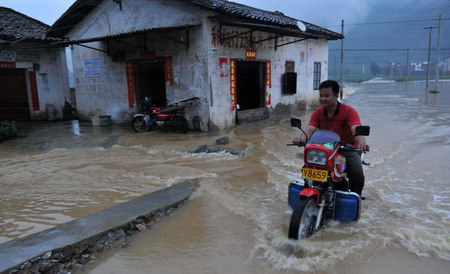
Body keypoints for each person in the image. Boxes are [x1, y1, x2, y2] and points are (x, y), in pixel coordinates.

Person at [293, 80, 369, 195]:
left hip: (346, 149)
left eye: (326, 96)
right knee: (307, 167)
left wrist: (361, 143)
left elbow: (356, 128)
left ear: (336, 96)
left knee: (357, 174)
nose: (323, 99)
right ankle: (310, 190)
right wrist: (302, 138)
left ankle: (355, 199)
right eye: (321, 96)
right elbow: (310, 129)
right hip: (325, 150)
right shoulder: (317, 113)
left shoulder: (349, 112)